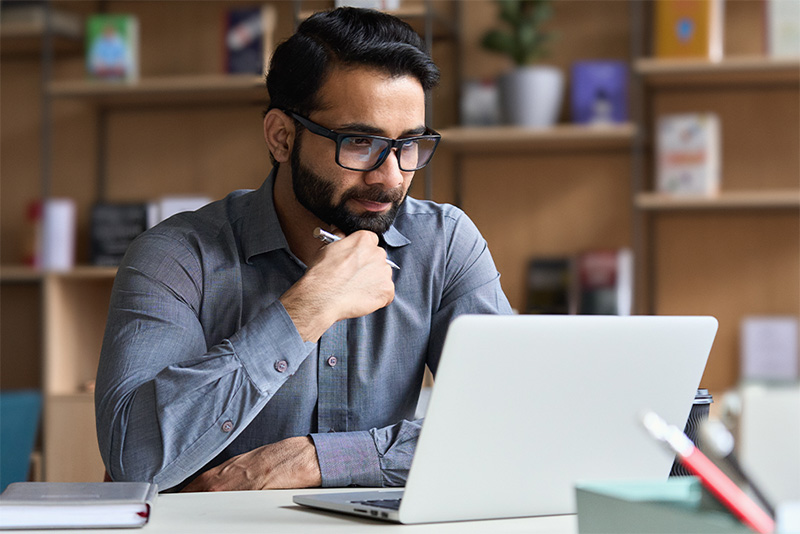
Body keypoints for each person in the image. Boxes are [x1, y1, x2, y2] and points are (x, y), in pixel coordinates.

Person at [95, 7, 512, 493]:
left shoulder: (444, 244)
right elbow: (135, 460)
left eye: (410, 145)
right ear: (281, 137)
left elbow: (514, 424)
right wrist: (306, 309)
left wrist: (314, 460)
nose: (392, 177)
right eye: (360, 142)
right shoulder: (175, 257)